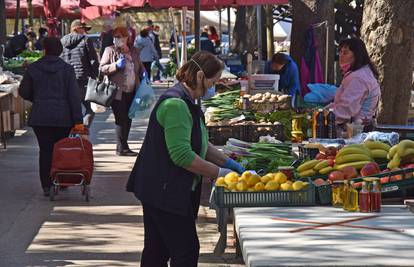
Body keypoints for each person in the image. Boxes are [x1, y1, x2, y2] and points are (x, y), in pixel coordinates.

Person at [126, 51, 245, 267]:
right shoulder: (176, 105)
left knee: (157, 250)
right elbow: (182, 155)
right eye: (213, 81)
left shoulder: (188, 101)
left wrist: (229, 163)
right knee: (186, 250)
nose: (213, 87)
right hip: (165, 189)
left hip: (161, 187)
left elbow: (200, 144)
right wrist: (219, 173)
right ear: (199, 76)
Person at [18, 37, 83, 196]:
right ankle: (61, 180)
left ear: (45, 49)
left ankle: (46, 185)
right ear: (60, 50)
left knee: (45, 150)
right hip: (63, 117)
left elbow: (23, 92)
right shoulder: (67, 69)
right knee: (61, 149)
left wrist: (38, 99)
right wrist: (78, 121)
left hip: (41, 116)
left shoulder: (33, 68)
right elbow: (73, 96)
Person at [100, 27, 145, 156]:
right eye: (116, 36)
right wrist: (115, 66)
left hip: (132, 90)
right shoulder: (110, 50)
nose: (118, 39)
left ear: (127, 38)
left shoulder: (134, 51)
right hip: (117, 91)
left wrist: (143, 73)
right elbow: (102, 68)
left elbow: (139, 66)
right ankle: (121, 148)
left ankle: (124, 146)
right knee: (121, 118)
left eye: (121, 36)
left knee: (129, 117)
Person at [329, 37, 381, 132]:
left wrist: (320, 117)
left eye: (345, 53)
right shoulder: (362, 73)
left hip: (355, 133)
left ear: (357, 55)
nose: (341, 55)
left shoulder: (358, 78)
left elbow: (346, 110)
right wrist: (325, 110)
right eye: (340, 52)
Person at [61, 19, 99, 128]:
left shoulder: (62, 41)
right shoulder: (85, 40)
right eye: (84, 29)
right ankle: (82, 131)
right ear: (76, 28)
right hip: (83, 80)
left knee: (73, 109)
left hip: (67, 81)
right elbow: (93, 61)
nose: (85, 32)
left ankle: (74, 132)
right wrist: (97, 76)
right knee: (90, 108)